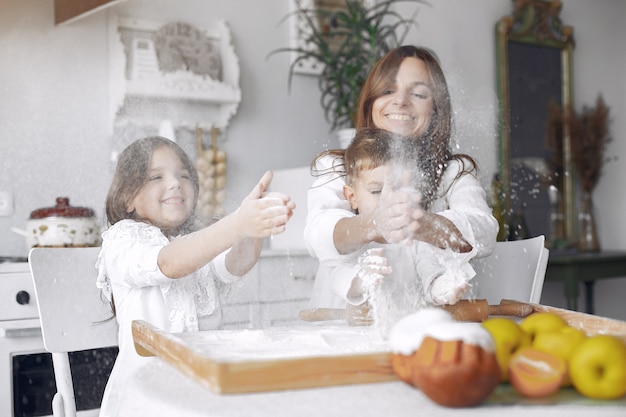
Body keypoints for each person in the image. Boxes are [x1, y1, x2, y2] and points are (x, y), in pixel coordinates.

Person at [96, 136, 295, 416]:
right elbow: (167, 263)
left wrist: (252, 228)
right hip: (147, 395)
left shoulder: (193, 240)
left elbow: (234, 266)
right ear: (128, 197)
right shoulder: (123, 238)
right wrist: (236, 223)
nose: (175, 183)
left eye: (184, 175)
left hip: (202, 388)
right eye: (156, 177)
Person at [304, 45, 498, 308]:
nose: (400, 101)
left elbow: (485, 233)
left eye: (418, 93)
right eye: (387, 90)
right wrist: (375, 225)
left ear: (436, 110)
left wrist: (422, 224)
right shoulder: (339, 167)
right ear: (372, 101)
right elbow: (318, 234)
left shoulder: (453, 173)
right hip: (337, 326)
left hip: (423, 329)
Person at [311, 128, 477, 316]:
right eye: (376, 191)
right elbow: (336, 276)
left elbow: (429, 271)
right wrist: (360, 280)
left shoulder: (415, 239)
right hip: (351, 336)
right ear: (352, 197)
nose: (388, 200)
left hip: (403, 334)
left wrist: (443, 287)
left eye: (398, 188)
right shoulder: (353, 240)